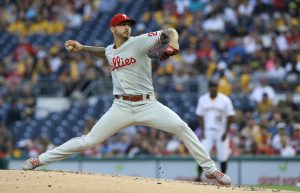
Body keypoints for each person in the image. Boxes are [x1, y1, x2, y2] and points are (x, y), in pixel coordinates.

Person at [22, 13, 231, 185]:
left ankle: (211, 170)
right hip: (121, 106)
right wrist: (83, 48)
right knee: (89, 141)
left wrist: (173, 43)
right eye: (122, 25)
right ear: (113, 29)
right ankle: (39, 160)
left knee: (182, 127)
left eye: (128, 24)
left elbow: (170, 32)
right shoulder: (111, 51)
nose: (127, 27)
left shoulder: (139, 41)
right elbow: (105, 52)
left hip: (147, 104)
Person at [195, 80, 235, 182]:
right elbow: (200, 115)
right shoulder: (203, 99)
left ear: (217, 87)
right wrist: (203, 130)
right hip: (208, 130)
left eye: (215, 86)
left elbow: (230, 116)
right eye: (211, 86)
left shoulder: (225, 100)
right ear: (209, 87)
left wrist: (226, 131)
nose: (213, 88)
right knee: (202, 153)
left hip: (221, 131)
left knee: (223, 155)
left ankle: (223, 178)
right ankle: (199, 177)